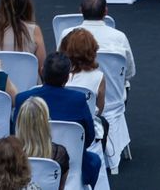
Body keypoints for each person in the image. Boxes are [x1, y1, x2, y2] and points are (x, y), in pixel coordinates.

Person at [12, 54, 100, 187]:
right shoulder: (78, 100)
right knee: (95, 160)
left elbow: (15, 133)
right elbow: (89, 137)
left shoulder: (22, 99)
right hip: (72, 165)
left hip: (25, 162)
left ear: (42, 71)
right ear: (67, 77)